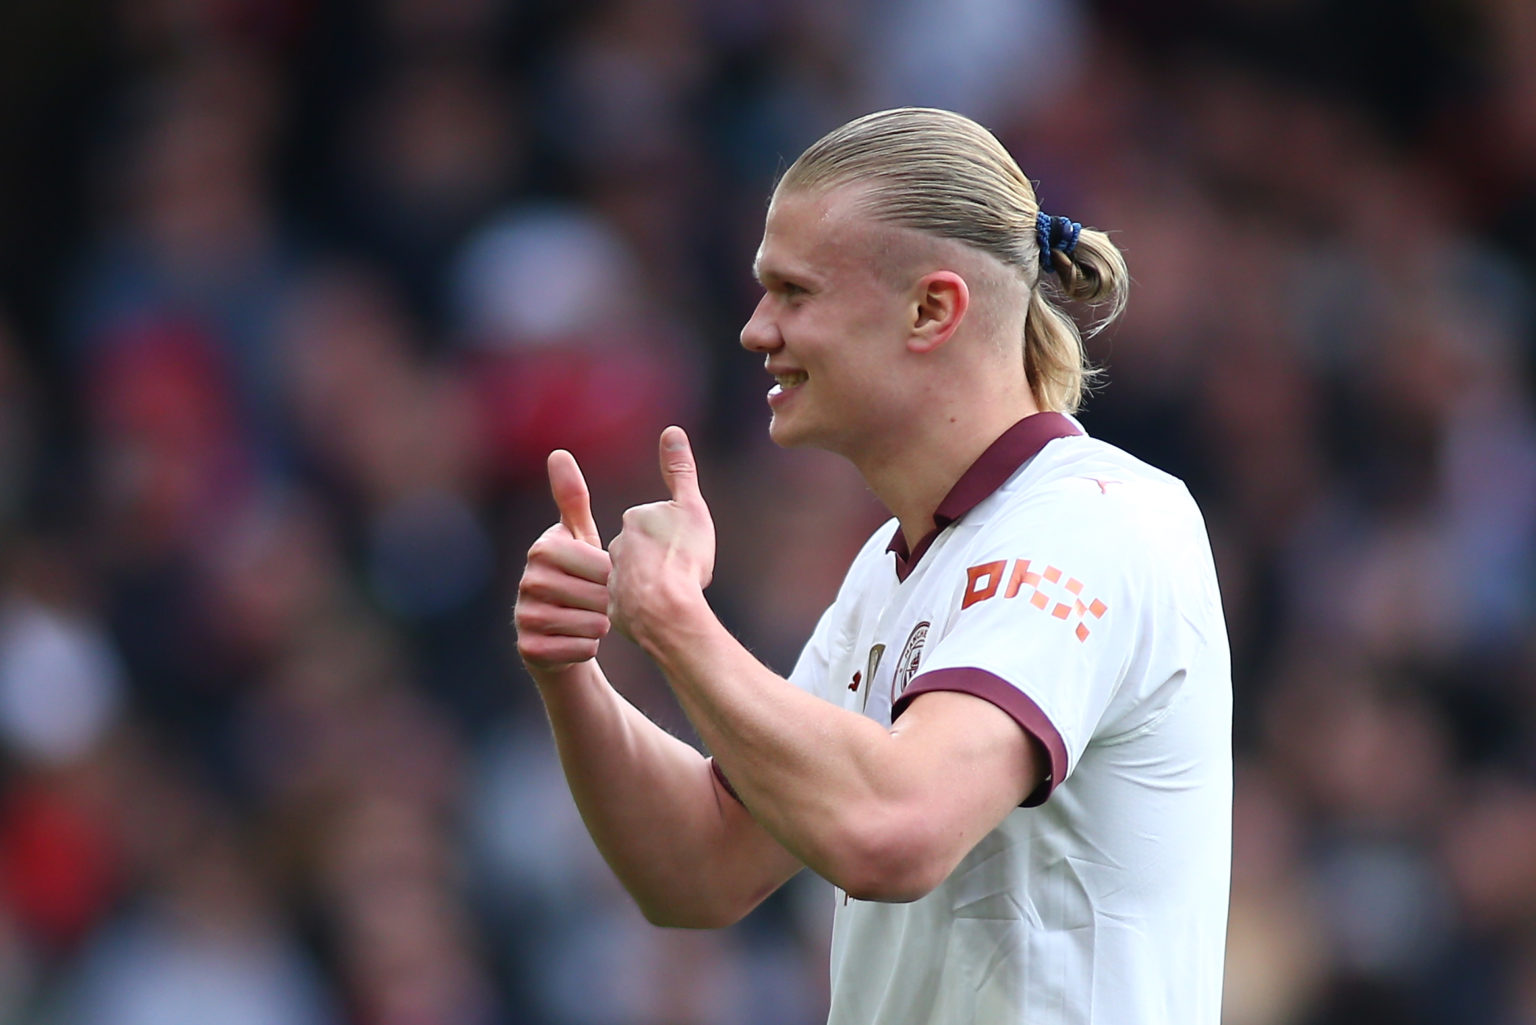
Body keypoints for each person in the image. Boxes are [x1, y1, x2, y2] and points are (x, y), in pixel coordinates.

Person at [514, 107, 1231, 1025]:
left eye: (794, 292)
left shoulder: (1094, 521)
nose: (755, 329)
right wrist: (572, 669)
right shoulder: (894, 567)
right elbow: (700, 865)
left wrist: (676, 621)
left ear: (932, 309)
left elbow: (895, 830)